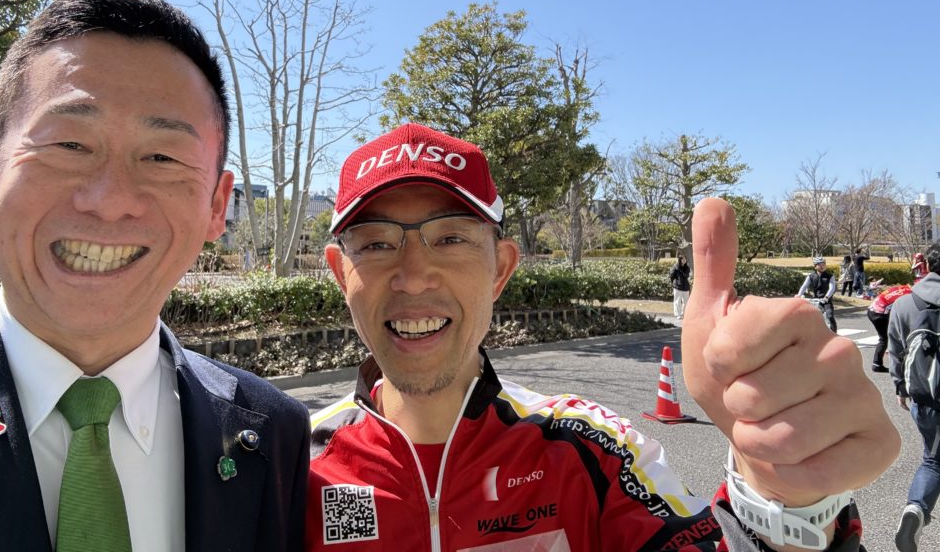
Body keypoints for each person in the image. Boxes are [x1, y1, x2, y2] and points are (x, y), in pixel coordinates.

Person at [307, 123, 899, 552]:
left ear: (500, 269)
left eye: (451, 238)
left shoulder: (590, 451)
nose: (413, 276)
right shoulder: (290, 466)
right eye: (377, 243)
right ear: (340, 272)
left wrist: (782, 505)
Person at [0, 0, 309, 551]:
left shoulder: (274, 435)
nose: (109, 201)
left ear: (217, 207)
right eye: (70, 145)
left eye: (162, 157)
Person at [887, 243, 940, 552]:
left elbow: (896, 350)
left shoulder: (905, 303)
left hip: (925, 399)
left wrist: (900, 387)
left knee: (933, 460)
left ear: (926, 266)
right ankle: (917, 507)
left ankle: (915, 510)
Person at [866, 281, 912, 373]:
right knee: (892, 337)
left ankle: (877, 364)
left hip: (872, 310)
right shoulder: (910, 294)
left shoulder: (900, 288)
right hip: (880, 313)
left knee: (885, 338)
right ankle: (897, 364)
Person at [796, 256, 838, 332]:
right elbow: (804, 286)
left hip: (826, 301)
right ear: (815, 266)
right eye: (819, 264)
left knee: (830, 316)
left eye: (823, 264)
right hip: (815, 301)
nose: (822, 266)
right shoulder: (811, 276)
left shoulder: (830, 276)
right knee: (809, 317)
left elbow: (832, 288)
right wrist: (799, 295)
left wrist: (826, 297)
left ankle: (834, 333)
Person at [669, 253, 691, 319]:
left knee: (686, 301)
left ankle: (684, 314)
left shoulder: (687, 268)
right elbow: (671, 275)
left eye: (685, 259)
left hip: (685, 287)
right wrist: (674, 283)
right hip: (677, 286)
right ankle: (678, 314)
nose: (684, 260)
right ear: (680, 259)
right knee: (677, 301)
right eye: (683, 259)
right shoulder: (675, 266)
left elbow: (686, 275)